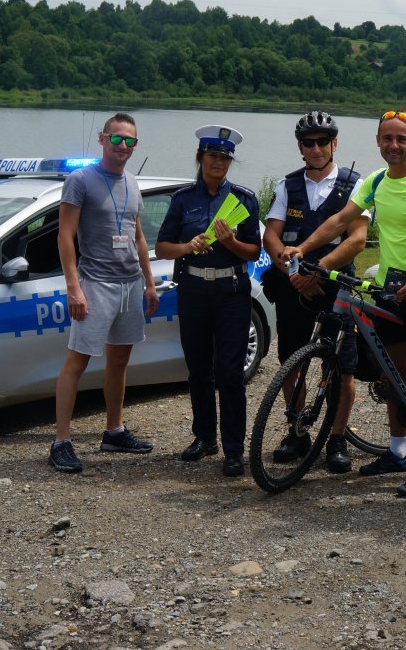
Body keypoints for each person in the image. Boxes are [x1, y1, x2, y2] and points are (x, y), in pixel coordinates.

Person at [281, 110, 406, 498]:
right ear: (378, 141)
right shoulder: (374, 182)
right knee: (393, 375)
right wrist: (302, 249)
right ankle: (398, 451)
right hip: (388, 290)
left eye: (401, 139)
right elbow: (341, 220)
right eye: (386, 138)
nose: (393, 145)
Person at [50, 112, 160, 474]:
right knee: (77, 359)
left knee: (119, 360)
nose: (123, 147)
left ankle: (114, 430)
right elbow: (65, 236)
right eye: (117, 139)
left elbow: (138, 235)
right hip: (95, 283)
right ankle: (61, 442)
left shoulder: (132, 182)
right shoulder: (80, 180)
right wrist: (73, 288)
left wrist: (148, 281)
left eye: (130, 141)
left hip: (129, 283)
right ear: (102, 139)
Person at [262, 111, 369, 473]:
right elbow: (271, 236)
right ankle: (297, 431)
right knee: (292, 362)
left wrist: (319, 272)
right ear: (300, 147)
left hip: (336, 287)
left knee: (343, 366)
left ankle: (337, 440)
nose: (317, 148)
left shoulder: (355, 185)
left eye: (324, 141)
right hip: (293, 285)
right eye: (309, 143)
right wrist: (291, 271)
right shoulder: (286, 185)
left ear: (334, 144)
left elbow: (357, 239)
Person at [155, 125, 261, 477]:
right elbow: (163, 247)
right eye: (213, 156)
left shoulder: (244, 200)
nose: (219, 162)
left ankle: (233, 450)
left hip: (231, 292)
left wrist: (229, 242)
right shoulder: (183, 199)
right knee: (198, 369)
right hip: (194, 290)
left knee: (230, 373)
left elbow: (254, 250)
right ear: (201, 157)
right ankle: (204, 438)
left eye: (226, 157)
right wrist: (189, 246)